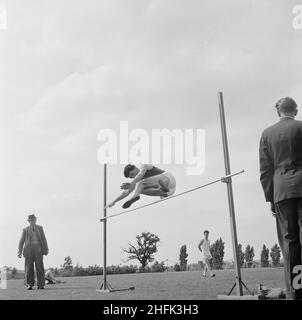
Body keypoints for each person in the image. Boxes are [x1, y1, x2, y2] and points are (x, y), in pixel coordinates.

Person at [259, 97, 302, 300]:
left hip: (281, 192)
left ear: (278, 112)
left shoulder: (267, 134)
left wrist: (270, 198)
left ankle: (296, 291)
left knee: (290, 243)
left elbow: (265, 171)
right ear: (296, 110)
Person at [106, 164, 176, 209]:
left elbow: (140, 175)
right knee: (140, 188)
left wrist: (132, 183)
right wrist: (114, 201)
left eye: (133, 174)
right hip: (170, 191)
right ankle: (161, 191)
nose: (134, 177)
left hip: (167, 178)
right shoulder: (136, 181)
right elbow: (126, 192)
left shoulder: (144, 166)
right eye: (132, 177)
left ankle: (134, 197)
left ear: (135, 168)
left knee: (140, 183)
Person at [18, 214, 49, 290]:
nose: (33, 221)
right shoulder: (25, 229)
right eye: (31, 220)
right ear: (29, 221)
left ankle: (41, 284)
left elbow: (44, 239)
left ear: (35, 220)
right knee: (29, 268)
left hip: (38, 249)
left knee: (40, 267)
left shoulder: (40, 228)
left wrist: (46, 249)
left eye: (34, 219)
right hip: (29, 250)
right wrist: (19, 251)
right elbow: (21, 241)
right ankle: (29, 284)